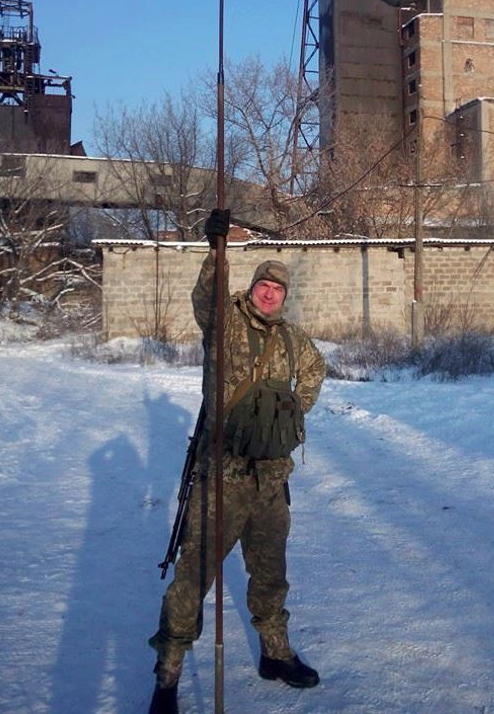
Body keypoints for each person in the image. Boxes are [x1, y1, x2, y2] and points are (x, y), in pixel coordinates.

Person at [148, 208, 325, 713]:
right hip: (222, 477)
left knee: (270, 573)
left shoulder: (292, 339)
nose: (270, 293)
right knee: (194, 575)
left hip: (272, 479)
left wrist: (293, 411)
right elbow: (205, 299)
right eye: (264, 286)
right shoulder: (224, 321)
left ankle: (275, 653)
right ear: (253, 288)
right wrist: (217, 250)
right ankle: (168, 675)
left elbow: (315, 369)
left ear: (285, 297)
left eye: (278, 289)